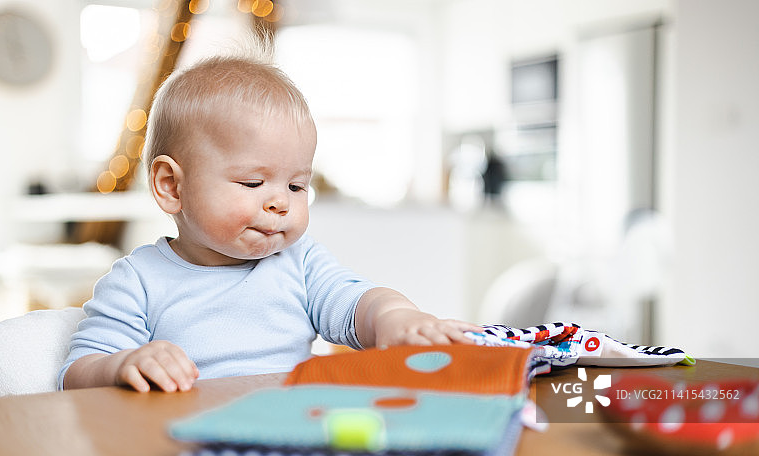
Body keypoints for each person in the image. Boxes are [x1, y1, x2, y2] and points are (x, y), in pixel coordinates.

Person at [60, 52, 481, 393]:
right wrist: (121, 365)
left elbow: (356, 305)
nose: (280, 201)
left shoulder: (299, 262)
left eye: (297, 186)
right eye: (253, 181)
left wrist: (395, 316)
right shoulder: (138, 280)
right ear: (172, 186)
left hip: (288, 430)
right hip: (184, 444)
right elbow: (76, 374)